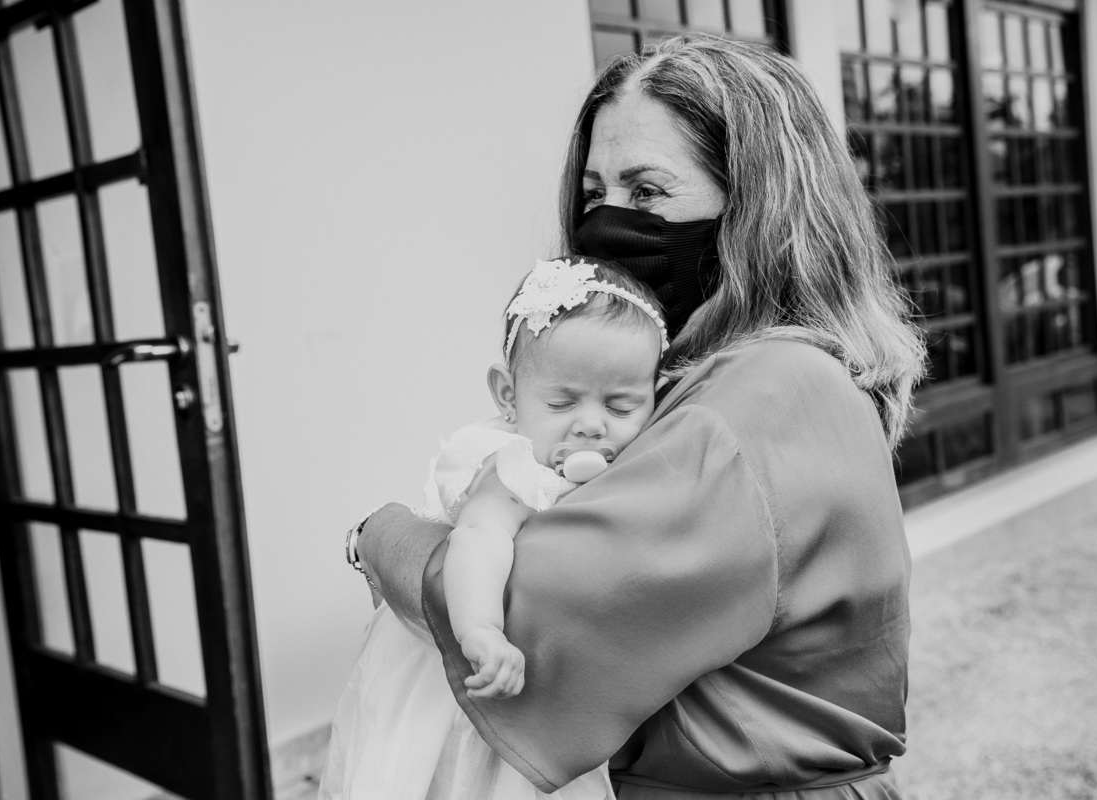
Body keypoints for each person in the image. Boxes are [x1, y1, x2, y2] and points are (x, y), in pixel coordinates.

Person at [352, 34, 926, 799]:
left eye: (648, 192)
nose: (609, 226)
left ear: (760, 206)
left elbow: (536, 618)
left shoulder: (764, 393)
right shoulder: (756, 377)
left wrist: (378, 535)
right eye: (595, 195)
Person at [321, 258, 670, 800]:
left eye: (622, 405)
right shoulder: (513, 467)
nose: (591, 423)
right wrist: (481, 630)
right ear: (508, 396)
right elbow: (479, 539)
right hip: (468, 675)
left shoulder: (636, 462)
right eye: (561, 402)